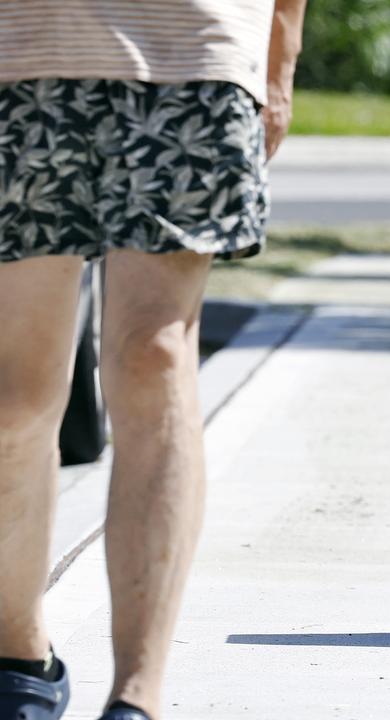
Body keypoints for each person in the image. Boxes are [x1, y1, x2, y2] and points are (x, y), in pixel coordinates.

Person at [0, 2, 306, 718]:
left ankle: (138, 694)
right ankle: (20, 656)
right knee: (14, 393)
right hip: (23, 47)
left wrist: (279, 61)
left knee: (155, 354)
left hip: (195, 53)